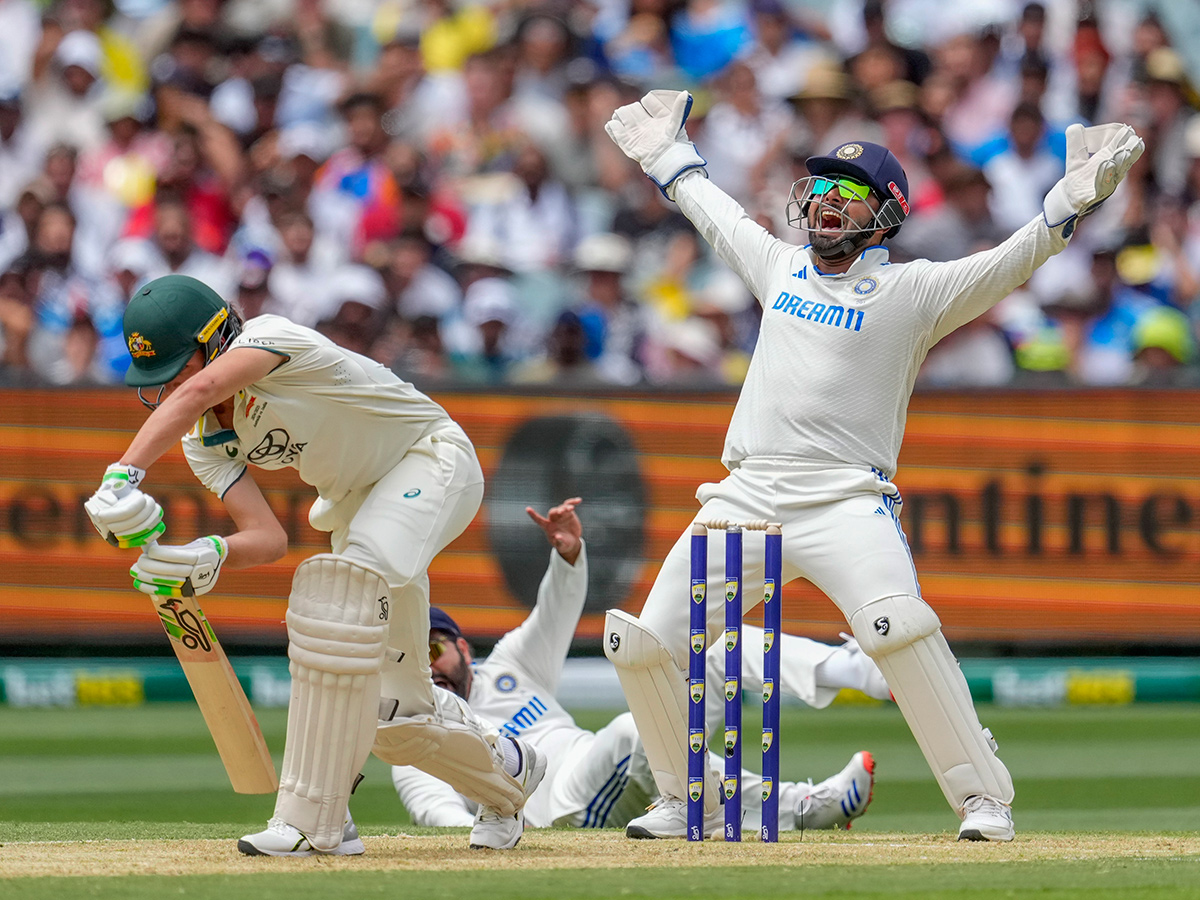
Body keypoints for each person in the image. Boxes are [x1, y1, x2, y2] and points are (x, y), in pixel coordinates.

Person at [601, 89, 1143, 842]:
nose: (824, 202)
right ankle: (683, 795)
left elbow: (1008, 263)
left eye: (844, 193)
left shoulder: (913, 291)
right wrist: (666, 155)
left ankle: (983, 800)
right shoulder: (781, 268)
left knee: (896, 629)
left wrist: (1065, 204)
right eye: (818, 188)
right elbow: (717, 216)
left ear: (883, 212)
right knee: (643, 642)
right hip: (745, 496)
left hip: (846, 503)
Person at [81, 274, 546, 856]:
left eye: (178, 365)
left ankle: (315, 820)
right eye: (159, 376)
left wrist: (122, 474)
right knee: (395, 718)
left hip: (429, 460)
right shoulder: (204, 440)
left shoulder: (273, 340)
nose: (171, 383)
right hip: (358, 505)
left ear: (216, 338)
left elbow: (197, 393)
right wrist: (205, 555)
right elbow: (267, 539)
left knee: (339, 605)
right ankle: (508, 776)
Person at [392, 498, 888, 835]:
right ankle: (802, 806)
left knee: (708, 648)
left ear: (460, 646)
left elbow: (554, 612)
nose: (428, 666)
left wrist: (567, 556)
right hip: (563, 810)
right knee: (637, 731)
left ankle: (853, 671)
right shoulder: (415, 728)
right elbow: (437, 814)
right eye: (415, 657)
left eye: (433, 649)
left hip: (602, 768)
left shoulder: (510, 666)